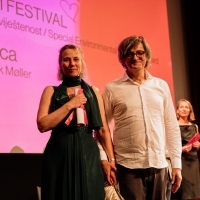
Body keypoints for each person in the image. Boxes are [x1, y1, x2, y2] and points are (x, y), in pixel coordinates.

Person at [102, 35, 182, 200]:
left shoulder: (161, 86)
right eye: (129, 54)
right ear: (123, 59)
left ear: (147, 56)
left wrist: (177, 165)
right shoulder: (112, 88)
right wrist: (106, 159)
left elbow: (171, 126)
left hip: (159, 165)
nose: (135, 57)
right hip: (128, 167)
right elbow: (102, 128)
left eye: (140, 53)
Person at [36, 44, 116, 200]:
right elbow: (42, 124)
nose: (72, 63)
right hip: (59, 153)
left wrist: (110, 160)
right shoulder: (50, 91)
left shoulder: (93, 92)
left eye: (76, 59)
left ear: (82, 63)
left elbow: (103, 130)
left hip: (88, 152)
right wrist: (70, 105)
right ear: (60, 64)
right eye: (66, 60)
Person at [176, 99, 200, 200]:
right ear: (177, 110)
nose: (184, 109)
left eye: (187, 107)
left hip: (193, 161)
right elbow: (170, 147)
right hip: (181, 161)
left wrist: (198, 145)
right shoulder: (174, 126)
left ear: (190, 110)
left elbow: (197, 146)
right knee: (185, 193)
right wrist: (181, 149)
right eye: (182, 107)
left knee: (195, 192)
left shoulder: (195, 126)